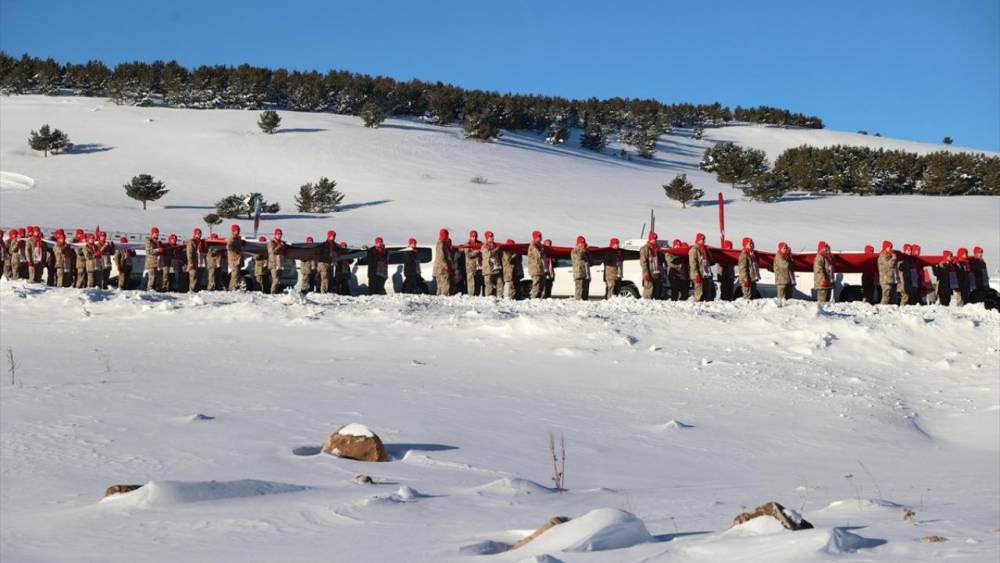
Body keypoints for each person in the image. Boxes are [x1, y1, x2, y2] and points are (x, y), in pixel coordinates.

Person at [688, 233, 714, 302]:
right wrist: (696, 274)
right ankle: (697, 307)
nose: (703, 241)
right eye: (702, 240)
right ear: (698, 240)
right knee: (699, 293)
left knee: (707, 294)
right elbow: (693, 264)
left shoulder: (704, 250)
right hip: (698, 275)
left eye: (704, 240)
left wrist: (708, 252)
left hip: (706, 274)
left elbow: (711, 262)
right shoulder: (694, 250)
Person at [639, 231, 665, 299]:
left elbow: (661, 261)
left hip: (657, 274)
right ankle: (646, 306)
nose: (655, 240)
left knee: (656, 293)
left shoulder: (657, 248)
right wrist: (646, 274)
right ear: (650, 239)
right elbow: (643, 262)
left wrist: (660, 252)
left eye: (656, 239)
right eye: (653, 239)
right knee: (649, 292)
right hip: (649, 274)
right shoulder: (645, 248)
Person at [433, 228, 455, 296]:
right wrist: (446, 267)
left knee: (441, 288)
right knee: (444, 287)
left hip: (441, 269)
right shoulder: (441, 244)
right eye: (447, 235)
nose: (447, 237)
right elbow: (441, 257)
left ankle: (439, 302)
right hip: (442, 270)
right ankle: (443, 302)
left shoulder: (443, 244)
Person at [480, 231, 502, 297]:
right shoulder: (484, 246)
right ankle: (488, 298)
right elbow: (488, 254)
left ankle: (500, 297)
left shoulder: (495, 245)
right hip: (488, 269)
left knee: (500, 282)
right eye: (490, 237)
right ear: (487, 238)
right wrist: (496, 249)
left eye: (492, 236)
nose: (492, 238)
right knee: (489, 285)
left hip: (496, 268)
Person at [876, 240, 899, 305]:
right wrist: (894, 257)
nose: (891, 249)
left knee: (890, 296)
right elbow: (890, 265)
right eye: (890, 247)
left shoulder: (889, 256)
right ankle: (883, 308)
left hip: (890, 279)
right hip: (885, 279)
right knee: (886, 295)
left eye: (891, 247)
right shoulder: (883, 255)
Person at [266, 228, 288, 294]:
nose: (279, 236)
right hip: (274, 264)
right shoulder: (271, 242)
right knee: (275, 280)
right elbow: (272, 252)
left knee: (279, 280)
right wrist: (280, 246)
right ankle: (273, 293)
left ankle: (276, 292)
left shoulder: (281, 243)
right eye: (278, 234)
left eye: (280, 234)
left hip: (280, 264)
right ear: (275, 235)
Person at [186, 228, 207, 292]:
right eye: (198, 233)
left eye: (200, 233)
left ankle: (198, 290)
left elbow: (206, 251)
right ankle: (192, 290)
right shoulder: (191, 242)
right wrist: (191, 262)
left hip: (201, 262)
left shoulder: (202, 242)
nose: (199, 235)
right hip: (193, 262)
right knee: (193, 276)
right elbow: (189, 253)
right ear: (195, 234)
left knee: (199, 277)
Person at [571, 235, 591, 300]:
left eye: (583, 243)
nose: (582, 245)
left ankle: (584, 303)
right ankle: (578, 303)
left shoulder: (585, 252)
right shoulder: (574, 251)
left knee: (585, 291)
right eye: (581, 243)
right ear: (578, 243)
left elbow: (589, 261)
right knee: (579, 290)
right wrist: (582, 250)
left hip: (586, 274)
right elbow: (578, 257)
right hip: (579, 273)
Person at [145, 227, 164, 291]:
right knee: (151, 277)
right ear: (152, 233)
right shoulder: (149, 241)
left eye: (158, 233)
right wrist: (158, 250)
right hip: (151, 262)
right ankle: (149, 289)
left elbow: (158, 252)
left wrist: (160, 250)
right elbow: (149, 251)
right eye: (156, 233)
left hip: (157, 263)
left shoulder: (157, 242)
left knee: (155, 277)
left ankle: (153, 289)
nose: (157, 234)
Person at [464, 230, 483, 296]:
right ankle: (471, 297)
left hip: (479, 267)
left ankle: (477, 296)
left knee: (478, 284)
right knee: (471, 284)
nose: (474, 238)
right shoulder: (467, 244)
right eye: (473, 236)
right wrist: (477, 251)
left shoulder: (480, 243)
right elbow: (468, 255)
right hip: (470, 268)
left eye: (475, 236)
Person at [527, 231, 545, 299]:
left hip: (540, 268)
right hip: (535, 269)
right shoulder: (533, 246)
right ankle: (534, 299)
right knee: (536, 285)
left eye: (540, 236)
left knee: (542, 285)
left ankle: (539, 299)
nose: (540, 238)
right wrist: (542, 250)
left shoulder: (540, 245)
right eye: (539, 236)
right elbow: (538, 255)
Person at [226, 224, 245, 291]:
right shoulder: (232, 239)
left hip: (237, 260)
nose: (238, 231)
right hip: (234, 260)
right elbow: (229, 247)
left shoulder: (237, 239)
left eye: (238, 230)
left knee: (236, 275)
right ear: (233, 231)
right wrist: (236, 251)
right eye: (236, 230)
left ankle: (232, 288)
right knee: (235, 275)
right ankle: (233, 288)